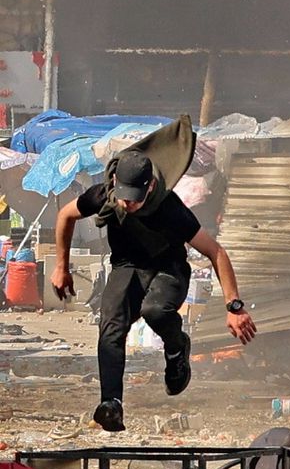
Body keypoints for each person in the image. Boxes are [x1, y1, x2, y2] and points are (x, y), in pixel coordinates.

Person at [52, 150, 256, 432]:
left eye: (136, 197)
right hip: (127, 267)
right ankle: (111, 403)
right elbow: (65, 215)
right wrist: (61, 266)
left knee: (155, 310)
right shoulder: (103, 195)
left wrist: (234, 307)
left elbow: (215, 251)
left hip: (168, 268)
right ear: (114, 180)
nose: (129, 203)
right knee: (110, 326)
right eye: (125, 196)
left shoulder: (170, 208)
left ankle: (176, 348)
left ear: (149, 186)